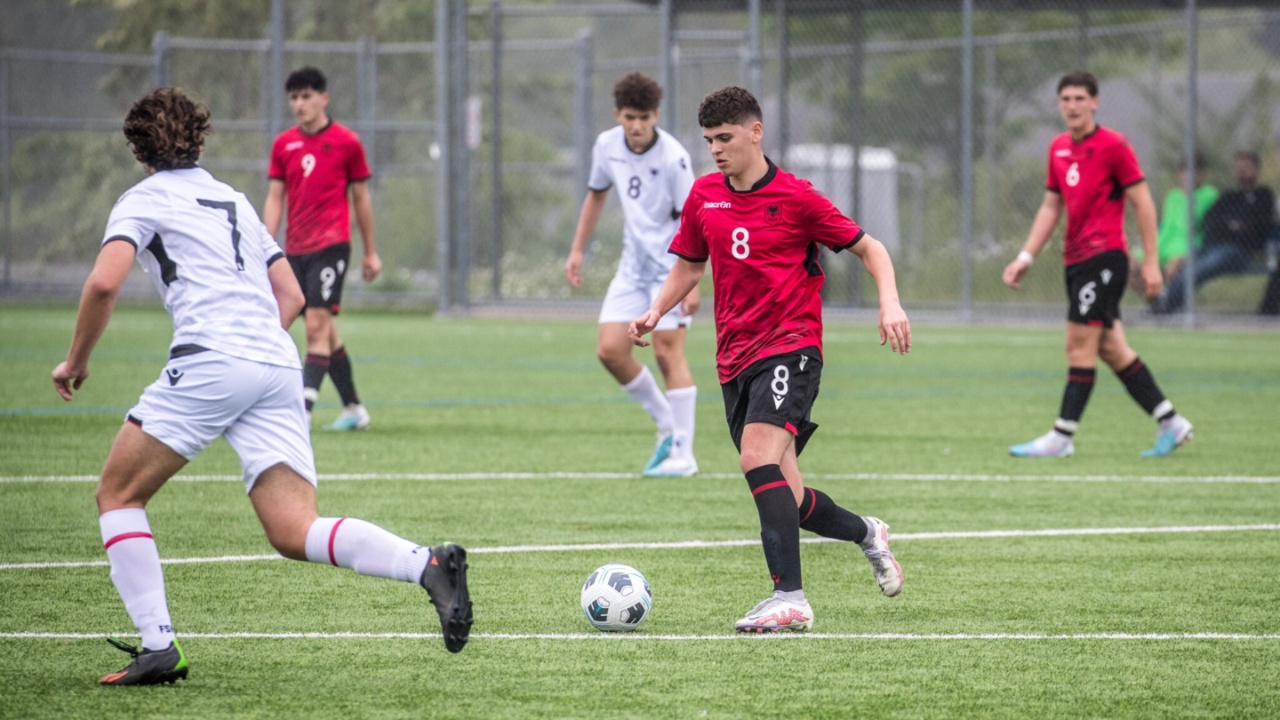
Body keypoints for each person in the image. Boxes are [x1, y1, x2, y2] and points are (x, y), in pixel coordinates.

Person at [51, 88, 472, 685]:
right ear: (199, 139)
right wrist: (250, 355)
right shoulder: (234, 199)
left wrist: (75, 361)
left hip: (212, 359)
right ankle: (425, 564)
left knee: (117, 495)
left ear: (138, 149)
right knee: (293, 529)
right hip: (275, 360)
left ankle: (159, 647)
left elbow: (102, 284)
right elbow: (293, 297)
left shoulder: (139, 201)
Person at [629, 86, 911, 633]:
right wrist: (654, 311)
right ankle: (866, 533)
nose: (715, 149)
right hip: (734, 358)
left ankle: (790, 598)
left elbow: (870, 248)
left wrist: (890, 302)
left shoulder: (798, 198)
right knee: (793, 497)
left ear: (755, 133)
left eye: (725, 138)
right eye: (709, 139)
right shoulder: (704, 195)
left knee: (756, 455)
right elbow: (690, 266)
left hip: (792, 346)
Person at [1003, 70, 1193, 459]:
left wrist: (1152, 263)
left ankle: (1061, 436)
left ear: (1095, 102)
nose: (1072, 106)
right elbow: (1051, 206)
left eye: (1079, 98)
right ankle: (1171, 422)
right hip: (1074, 261)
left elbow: (1142, 202)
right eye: (1065, 99)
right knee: (1112, 349)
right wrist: (1025, 256)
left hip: (1104, 257)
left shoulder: (1114, 146)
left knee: (1078, 344)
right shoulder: (1057, 148)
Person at [565, 72, 700, 477]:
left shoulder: (674, 158)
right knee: (610, 350)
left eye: (644, 117)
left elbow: (694, 221)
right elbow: (596, 194)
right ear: (617, 115)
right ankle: (665, 423)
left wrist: (695, 281)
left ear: (656, 115)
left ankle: (683, 453)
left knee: (665, 352)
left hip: (672, 267)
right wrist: (577, 249)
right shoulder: (607, 146)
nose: (637, 125)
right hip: (632, 266)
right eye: (629, 117)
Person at [263, 66, 378, 430]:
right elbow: (274, 197)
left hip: (332, 246)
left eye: (307, 96)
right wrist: (264, 247)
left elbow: (361, 199)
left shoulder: (347, 143)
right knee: (325, 331)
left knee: (315, 325)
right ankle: (354, 409)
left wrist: (370, 251)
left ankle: (301, 413)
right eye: (294, 98)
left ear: (323, 98)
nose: (300, 104)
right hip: (293, 250)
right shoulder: (283, 145)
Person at [1151, 151, 1276, 314]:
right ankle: (1166, 299)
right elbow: (1210, 220)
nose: (1242, 171)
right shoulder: (1230, 196)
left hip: (1240, 252)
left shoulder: (1264, 195)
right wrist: (1233, 226)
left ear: (1257, 170)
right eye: (1239, 168)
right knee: (1186, 261)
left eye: (1247, 167)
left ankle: (1168, 301)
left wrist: (1233, 226)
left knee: (1204, 265)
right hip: (1213, 246)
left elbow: (1258, 224)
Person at [1129, 153, 1217, 295]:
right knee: (1127, 263)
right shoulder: (1173, 196)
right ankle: (1158, 297)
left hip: (1188, 247)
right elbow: (1166, 227)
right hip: (1163, 244)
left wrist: (1190, 198)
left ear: (1201, 174)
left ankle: (1170, 301)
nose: (1186, 177)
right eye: (1183, 172)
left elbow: (1198, 221)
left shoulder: (1209, 194)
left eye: (1191, 172)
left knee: (1174, 267)